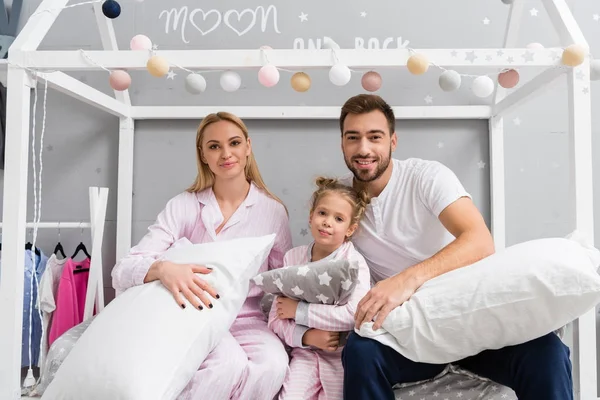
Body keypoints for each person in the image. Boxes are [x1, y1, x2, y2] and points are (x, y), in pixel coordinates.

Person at [338, 94, 573, 400]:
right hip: (409, 333)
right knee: (360, 352)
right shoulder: (339, 200)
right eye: (353, 138)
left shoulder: (426, 177)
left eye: (375, 137)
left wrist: (405, 280)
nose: (364, 149)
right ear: (342, 143)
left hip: (469, 319)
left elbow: (479, 240)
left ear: (393, 142)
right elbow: (327, 261)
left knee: (547, 351)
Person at [111, 112, 293, 400]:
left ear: (248, 146)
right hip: (193, 315)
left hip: (248, 319)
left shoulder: (273, 211)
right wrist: (164, 269)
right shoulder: (183, 205)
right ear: (203, 155)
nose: (225, 154)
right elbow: (122, 270)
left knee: (273, 364)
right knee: (225, 365)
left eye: (234, 143)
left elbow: (282, 277)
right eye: (214, 146)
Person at [267, 177, 372, 400]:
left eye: (338, 218)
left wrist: (299, 311)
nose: (327, 222)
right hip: (304, 353)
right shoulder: (293, 258)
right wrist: (306, 336)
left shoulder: (354, 264)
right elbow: (276, 319)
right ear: (311, 215)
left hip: (341, 357)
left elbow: (354, 315)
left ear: (350, 229)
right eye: (322, 213)